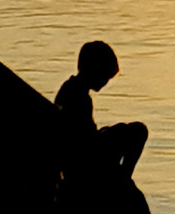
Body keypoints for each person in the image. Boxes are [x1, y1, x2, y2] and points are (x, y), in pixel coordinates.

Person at [55, 41, 147, 180]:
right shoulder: (79, 97)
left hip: (84, 150)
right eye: (105, 77)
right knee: (137, 131)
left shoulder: (71, 88)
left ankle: (122, 178)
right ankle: (123, 178)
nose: (106, 83)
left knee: (130, 129)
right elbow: (82, 140)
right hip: (84, 157)